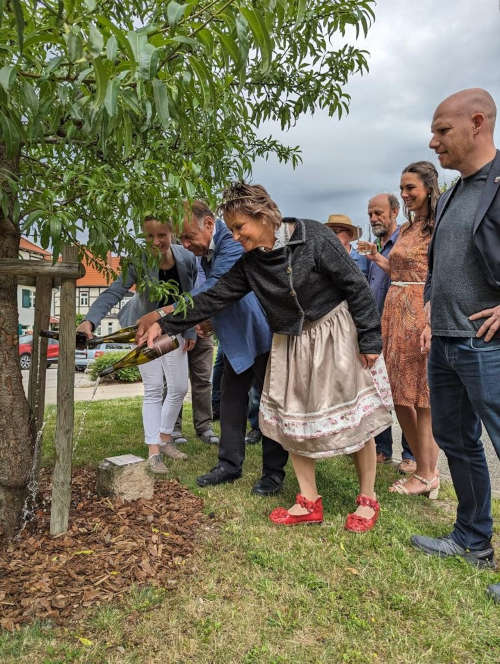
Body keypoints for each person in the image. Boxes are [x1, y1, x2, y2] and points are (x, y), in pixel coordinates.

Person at [137, 184, 393, 532]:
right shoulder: (251, 263)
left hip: (333, 333)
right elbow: (212, 297)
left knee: (354, 414)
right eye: (232, 228)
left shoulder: (313, 236)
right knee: (292, 417)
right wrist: (164, 323)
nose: (236, 235)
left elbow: (355, 286)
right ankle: (308, 500)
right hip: (289, 341)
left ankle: (367, 498)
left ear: (263, 216)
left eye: (240, 227)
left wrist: (369, 338)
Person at [411, 88, 500, 603]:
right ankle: (472, 540)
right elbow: (439, 265)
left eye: (443, 130)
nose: (434, 140)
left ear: (478, 122)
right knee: (457, 443)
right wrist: (428, 310)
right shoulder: (451, 194)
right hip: (444, 341)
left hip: (487, 345)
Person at [141, 200, 288, 495]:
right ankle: (229, 465)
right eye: (180, 238)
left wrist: (162, 314)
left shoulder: (231, 245)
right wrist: (206, 319)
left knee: (270, 408)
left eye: (187, 237)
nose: (184, 244)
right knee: (232, 403)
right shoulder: (206, 252)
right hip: (234, 339)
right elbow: (208, 291)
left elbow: (214, 289)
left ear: (208, 224)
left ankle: (273, 474)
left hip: (260, 336)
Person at [77, 216, 197, 472]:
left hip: (173, 328)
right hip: (142, 331)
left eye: (161, 235)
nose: (156, 242)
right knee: (154, 388)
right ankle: (154, 450)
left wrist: (190, 332)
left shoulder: (187, 258)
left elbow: (192, 297)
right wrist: (90, 321)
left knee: (178, 388)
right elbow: (114, 292)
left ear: (172, 233)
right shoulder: (137, 260)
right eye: (150, 236)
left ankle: (165, 438)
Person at [360, 163, 441, 499]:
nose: (406, 194)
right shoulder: (407, 228)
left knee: (422, 398)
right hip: (393, 313)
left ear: (428, 188)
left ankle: (426, 474)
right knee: (397, 394)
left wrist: (431, 318)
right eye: (403, 189)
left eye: (412, 188)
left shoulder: (438, 227)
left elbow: (439, 272)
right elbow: (400, 267)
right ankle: (427, 470)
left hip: (419, 312)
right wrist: (378, 259)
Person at [364, 195, 416, 471]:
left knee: (405, 392)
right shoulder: (375, 248)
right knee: (377, 391)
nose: (374, 218)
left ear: (395, 212)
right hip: (376, 330)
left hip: (402, 326)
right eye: (371, 213)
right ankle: (382, 449)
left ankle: (411, 455)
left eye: (379, 213)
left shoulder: (404, 243)